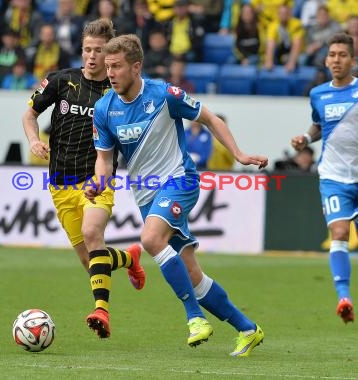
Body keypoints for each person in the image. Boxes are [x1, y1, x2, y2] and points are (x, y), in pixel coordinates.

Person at [86, 34, 268, 356]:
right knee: (193, 275)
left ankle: (194, 318)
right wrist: (99, 183)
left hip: (179, 180)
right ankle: (248, 329)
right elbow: (104, 159)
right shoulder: (104, 108)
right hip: (146, 195)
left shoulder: (164, 94)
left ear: (136, 67)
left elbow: (210, 118)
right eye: (107, 66)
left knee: (151, 240)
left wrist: (238, 154)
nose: (109, 72)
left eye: (116, 66)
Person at [22, 19, 146, 339]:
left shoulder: (116, 92)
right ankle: (129, 258)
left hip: (97, 180)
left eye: (99, 51)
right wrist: (34, 140)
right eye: (87, 50)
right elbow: (29, 114)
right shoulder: (61, 81)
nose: (92, 57)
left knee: (93, 233)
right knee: (89, 258)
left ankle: (101, 311)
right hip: (60, 183)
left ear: (110, 53)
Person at [290, 33, 358, 324]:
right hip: (333, 175)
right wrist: (305, 137)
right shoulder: (318, 94)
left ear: (353, 60)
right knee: (339, 233)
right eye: (332, 55)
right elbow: (318, 126)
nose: (336, 60)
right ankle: (344, 297)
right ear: (326, 60)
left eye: (342, 55)